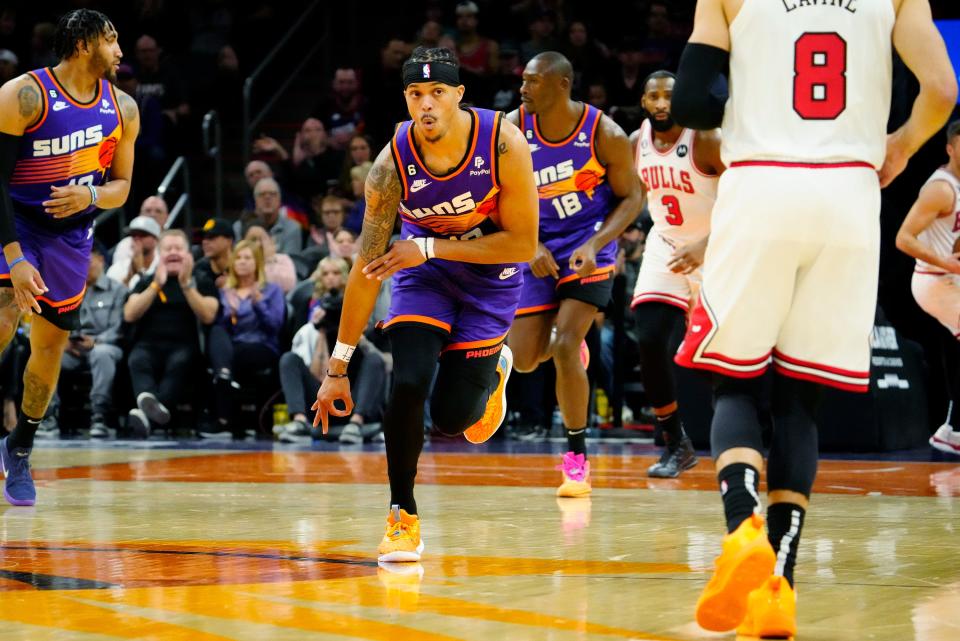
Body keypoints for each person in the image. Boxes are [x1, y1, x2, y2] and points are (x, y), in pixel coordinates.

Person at [671, 0, 957, 636]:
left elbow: (691, 103)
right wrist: (905, 146)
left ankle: (742, 526)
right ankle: (779, 587)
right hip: (850, 197)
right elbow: (941, 87)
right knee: (801, 402)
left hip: (761, 189)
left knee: (735, 384)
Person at [313, 47, 538, 563]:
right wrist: (337, 367)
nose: (427, 103)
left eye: (438, 92)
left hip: (489, 272)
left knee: (453, 420)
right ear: (406, 99)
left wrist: (431, 245)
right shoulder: (390, 166)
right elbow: (367, 267)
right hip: (424, 272)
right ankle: (402, 516)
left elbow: (523, 244)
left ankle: (496, 368)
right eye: (416, 93)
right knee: (408, 381)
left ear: (460, 95)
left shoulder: (503, 140)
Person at [0, 9, 139, 505]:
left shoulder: (123, 107)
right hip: (15, 223)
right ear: (83, 43)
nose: (121, 50)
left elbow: (121, 188)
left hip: (71, 237)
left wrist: (91, 198)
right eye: (113, 38)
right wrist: (15, 258)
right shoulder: (23, 96)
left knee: (49, 347)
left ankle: (19, 447)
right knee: (3, 311)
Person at [507, 52, 645, 497]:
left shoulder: (604, 133)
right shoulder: (512, 129)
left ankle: (576, 460)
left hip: (588, 247)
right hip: (537, 249)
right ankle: (569, 357)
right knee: (527, 360)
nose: (523, 90)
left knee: (567, 344)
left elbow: (632, 199)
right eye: (522, 82)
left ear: (562, 84)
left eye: (532, 82)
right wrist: (530, 246)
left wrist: (595, 243)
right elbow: (493, 196)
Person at [630, 70, 723, 478]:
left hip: (717, 248)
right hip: (665, 246)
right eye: (654, 96)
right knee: (649, 336)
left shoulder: (707, 138)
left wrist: (706, 244)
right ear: (644, 102)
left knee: (724, 356)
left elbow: (745, 195)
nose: (662, 103)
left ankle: (749, 439)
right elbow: (637, 195)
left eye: (670, 95)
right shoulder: (636, 144)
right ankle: (675, 443)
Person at [895, 120, 960, 456]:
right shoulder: (941, 188)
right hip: (933, 280)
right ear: (950, 148)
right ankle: (952, 428)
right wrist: (946, 262)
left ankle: (952, 429)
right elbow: (903, 238)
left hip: (949, 278)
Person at [123, 230, 219, 438]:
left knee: (180, 362)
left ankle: (146, 415)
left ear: (189, 254)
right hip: (148, 344)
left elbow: (209, 315)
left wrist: (187, 286)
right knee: (137, 359)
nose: (173, 253)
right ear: (160, 254)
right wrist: (156, 285)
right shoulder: (148, 281)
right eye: (168, 249)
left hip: (185, 346)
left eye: (179, 249)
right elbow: (129, 314)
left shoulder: (201, 280)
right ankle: (151, 411)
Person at [208, 240, 285, 438]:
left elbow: (275, 326)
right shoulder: (226, 291)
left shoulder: (271, 290)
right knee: (216, 332)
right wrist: (229, 314)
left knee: (233, 355)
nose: (242, 262)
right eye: (239, 258)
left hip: (261, 345)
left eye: (247, 258)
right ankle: (224, 376)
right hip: (233, 345)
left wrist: (258, 304)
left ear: (257, 263)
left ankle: (224, 415)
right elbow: (222, 330)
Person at [58, 244, 126, 438]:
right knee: (48, 354)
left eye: (87, 261)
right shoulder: (70, 289)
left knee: (101, 353)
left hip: (107, 347)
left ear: (100, 260)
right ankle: (47, 416)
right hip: (74, 349)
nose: (83, 266)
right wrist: (64, 341)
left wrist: (95, 341)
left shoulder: (117, 290)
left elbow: (119, 329)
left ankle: (100, 415)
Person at [110, 195, 168, 270]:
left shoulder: (173, 243)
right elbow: (118, 275)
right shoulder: (125, 245)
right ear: (140, 215)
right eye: (148, 210)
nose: (152, 215)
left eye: (158, 211)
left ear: (167, 217)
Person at [105, 215, 160, 289]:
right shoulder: (117, 268)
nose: (137, 238)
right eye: (134, 235)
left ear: (156, 239)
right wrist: (129, 277)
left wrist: (140, 273)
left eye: (143, 234)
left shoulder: (163, 266)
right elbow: (111, 298)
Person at [243, 222, 297, 293]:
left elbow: (289, 285)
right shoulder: (241, 261)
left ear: (271, 240)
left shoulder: (283, 259)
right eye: (253, 240)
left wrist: (269, 260)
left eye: (262, 239)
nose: (258, 244)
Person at [194, 217, 234, 289]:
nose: (205, 242)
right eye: (203, 238)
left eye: (211, 237)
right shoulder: (199, 269)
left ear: (229, 241)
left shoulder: (241, 267)